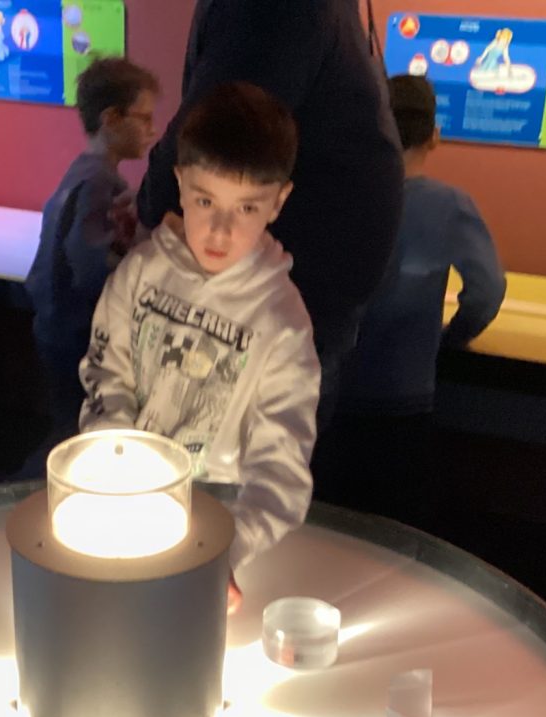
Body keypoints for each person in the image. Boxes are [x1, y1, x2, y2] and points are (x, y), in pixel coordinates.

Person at [79, 83, 321, 612]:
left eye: (246, 207)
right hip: (125, 501)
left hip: (221, 527)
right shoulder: (140, 273)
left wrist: (225, 549)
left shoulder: (282, 322)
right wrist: (115, 472)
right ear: (180, 184)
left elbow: (280, 466)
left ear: (278, 202)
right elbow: (106, 375)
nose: (219, 230)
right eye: (206, 200)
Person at [137, 0, 404, 438]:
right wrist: (151, 208)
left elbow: (216, 126)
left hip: (275, 319)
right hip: (250, 326)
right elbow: (217, 129)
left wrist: (150, 207)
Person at [318, 74, 505, 528]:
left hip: (332, 397)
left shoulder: (338, 195)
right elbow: (486, 291)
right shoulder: (450, 205)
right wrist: (451, 337)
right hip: (403, 401)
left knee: (329, 525)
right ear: (433, 135)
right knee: (395, 532)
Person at [24, 57, 159, 466]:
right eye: (144, 118)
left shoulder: (83, 172)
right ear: (111, 119)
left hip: (56, 327)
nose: (152, 130)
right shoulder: (100, 183)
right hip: (75, 334)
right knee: (76, 434)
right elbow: (91, 268)